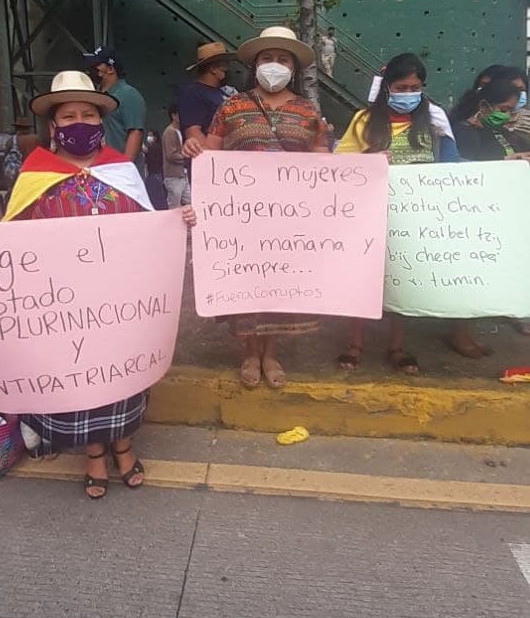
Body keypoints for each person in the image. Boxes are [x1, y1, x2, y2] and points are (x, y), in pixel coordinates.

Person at [4, 70, 195, 499]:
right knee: (82, 379)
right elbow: (8, 238)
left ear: (100, 121)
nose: (79, 121)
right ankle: (94, 453)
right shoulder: (36, 172)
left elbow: (148, 225)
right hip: (64, 303)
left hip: (118, 299)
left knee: (122, 376)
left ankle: (124, 444)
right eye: (68, 114)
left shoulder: (120, 169)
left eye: (88, 114)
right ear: (53, 126)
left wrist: (176, 221)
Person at [185, 26, 329, 389]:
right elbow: (212, 154)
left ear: (293, 68)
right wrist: (195, 150)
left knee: (277, 285)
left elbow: (323, 163)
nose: (274, 65)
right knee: (247, 284)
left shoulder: (307, 111)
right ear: (255, 65)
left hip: (288, 220)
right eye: (268, 59)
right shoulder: (231, 107)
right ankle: (249, 353)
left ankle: (270, 352)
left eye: (283, 59)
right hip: (242, 219)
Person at [335, 52, 458, 374]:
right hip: (367, 215)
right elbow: (339, 163)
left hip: (416, 219)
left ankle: (397, 347)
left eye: (414, 87)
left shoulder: (434, 120)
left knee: (404, 280)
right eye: (401, 88)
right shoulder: (364, 120)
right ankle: (355, 344)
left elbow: (453, 167)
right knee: (362, 280)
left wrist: (504, 166)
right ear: (387, 87)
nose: (407, 94)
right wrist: (371, 158)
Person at [447, 75, 530, 357]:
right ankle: (461, 333)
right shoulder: (465, 132)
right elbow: (463, 171)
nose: (507, 114)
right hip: (471, 215)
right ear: (484, 105)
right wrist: (507, 162)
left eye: (510, 109)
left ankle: (467, 331)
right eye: (503, 108)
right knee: (469, 276)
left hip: (495, 212)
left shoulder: (499, 132)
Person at [83, 47, 146, 167]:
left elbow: (135, 132)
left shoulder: (128, 94)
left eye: (97, 65)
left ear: (111, 69)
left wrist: (124, 167)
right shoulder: (95, 95)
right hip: (99, 168)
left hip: (119, 170)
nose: (92, 69)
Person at [178, 42, 234, 155]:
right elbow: (193, 132)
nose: (228, 68)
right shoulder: (192, 93)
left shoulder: (221, 92)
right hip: (212, 163)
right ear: (213, 68)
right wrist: (213, 158)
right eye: (225, 64)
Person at [162, 106, 191, 208]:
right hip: (173, 176)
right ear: (174, 116)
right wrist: (186, 157)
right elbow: (171, 155)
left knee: (189, 201)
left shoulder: (181, 131)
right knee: (175, 205)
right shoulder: (169, 132)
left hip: (183, 174)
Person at [3, 115, 40, 187]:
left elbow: (5, 157)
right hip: (34, 173)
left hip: (19, 175)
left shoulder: (12, 141)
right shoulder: (36, 139)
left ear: (17, 127)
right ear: (28, 128)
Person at [144, 129, 167, 209]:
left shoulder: (154, 147)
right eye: (148, 135)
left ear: (155, 137)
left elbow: (147, 153)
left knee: (156, 198)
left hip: (155, 175)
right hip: (157, 174)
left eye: (151, 135)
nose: (149, 137)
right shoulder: (158, 147)